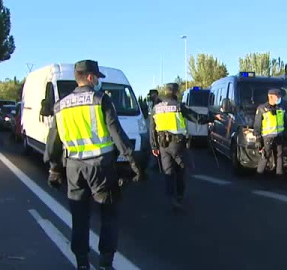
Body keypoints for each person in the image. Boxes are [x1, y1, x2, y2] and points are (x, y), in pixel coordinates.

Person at [44, 60, 141, 270]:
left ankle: (81, 264)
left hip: (73, 168)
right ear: (90, 77)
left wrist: (54, 169)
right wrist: (134, 163)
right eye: (97, 77)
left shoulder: (60, 106)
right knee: (109, 215)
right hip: (101, 168)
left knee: (79, 218)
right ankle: (106, 263)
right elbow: (118, 135)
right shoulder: (100, 100)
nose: (98, 81)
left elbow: (53, 143)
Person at [150, 83, 208, 209]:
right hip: (177, 144)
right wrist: (212, 117)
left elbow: (152, 129)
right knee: (181, 170)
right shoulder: (178, 106)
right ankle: (179, 196)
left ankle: (171, 196)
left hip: (162, 145)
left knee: (168, 171)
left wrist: (154, 147)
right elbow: (196, 118)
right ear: (176, 93)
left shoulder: (156, 108)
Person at [253, 88, 287, 177]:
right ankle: (259, 175)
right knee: (265, 156)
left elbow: (285, 122)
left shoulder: (281, 108)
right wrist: (258, 138)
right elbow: (257, 125)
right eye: (277, 96)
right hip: (267, 137)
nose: (279, 98)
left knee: (280, 156)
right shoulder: (262, 109)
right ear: (271, 97)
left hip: (279, 136)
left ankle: (279, 176)